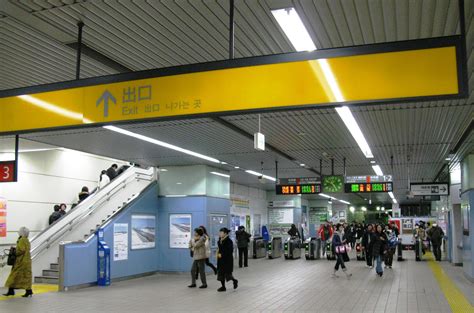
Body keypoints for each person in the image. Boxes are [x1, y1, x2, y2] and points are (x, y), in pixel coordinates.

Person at [3, 227, 33, 297]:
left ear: (22, 232)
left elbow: (21, 250)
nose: (18, 232)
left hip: (21, 261)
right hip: (26, 261)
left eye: (19, 231)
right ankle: (28, 291)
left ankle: (11, 291)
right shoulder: (26, 240)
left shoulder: (22, 239)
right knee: (25, 277)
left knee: (13, 276)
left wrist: (14, 251)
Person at [216, 227, 238, 292]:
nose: (220, 234)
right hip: (220, 260)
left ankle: (235, 281)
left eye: (221, 233)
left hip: (227, 260)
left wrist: (222, 255)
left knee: (228, 275)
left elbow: (229, 251)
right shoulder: (220, 240)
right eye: (219, 232)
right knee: (220, 274)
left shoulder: (229, 241)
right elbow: (220, 249)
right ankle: (223, 287)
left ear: (225, 233)